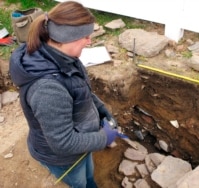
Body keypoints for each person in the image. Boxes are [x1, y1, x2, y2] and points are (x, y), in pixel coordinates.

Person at [9, 1, 119, 187]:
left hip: (81, 145)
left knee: (89, 176)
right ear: (68, 38)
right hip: (63, 158)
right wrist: (104, 138)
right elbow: (63, 143)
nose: (89, 41)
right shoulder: (47, 90)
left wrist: (102, 110)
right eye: (85, 36)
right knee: (79, 182)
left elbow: (81, 90)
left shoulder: (64, 58)